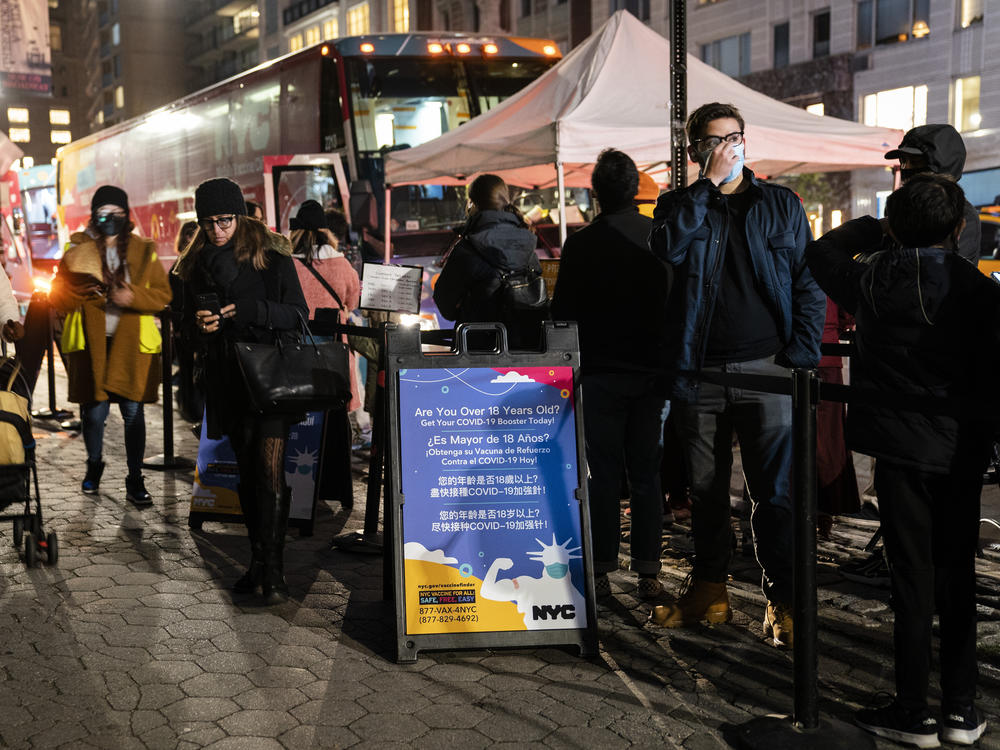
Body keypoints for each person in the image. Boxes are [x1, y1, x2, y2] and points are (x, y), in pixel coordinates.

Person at [806, 174, 996, 748]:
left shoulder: (872, 278)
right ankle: (960, 710)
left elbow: (821, 251)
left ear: (891, 224)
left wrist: (877, 229)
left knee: (911, 580)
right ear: (959, 229)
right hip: (959, 450)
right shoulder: (980, 290)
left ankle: (912, 710)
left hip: (898, 449)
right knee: (957, 575)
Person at [647, 102, 825, 648]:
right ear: (696, 149)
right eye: (714, 141)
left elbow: (807, 281)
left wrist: (801, 354)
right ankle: (710, 591)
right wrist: (708, 185)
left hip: (767, 367)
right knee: (704, 491)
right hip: (699, 371)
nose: (727, 147)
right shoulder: (679, 204)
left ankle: (783, 600)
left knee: (774, 494)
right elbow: (666, 247)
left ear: (746, 140)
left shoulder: (780, 203)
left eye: (734, 138)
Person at [173, 178, 307, 604]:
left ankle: (276, 572)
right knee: (248, 474)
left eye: (225, 220)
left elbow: (299, 314)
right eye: (208, 223)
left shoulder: (272, 255)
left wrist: (251, 311)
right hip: (227, 379)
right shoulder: (193, 265)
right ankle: (258, 563)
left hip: (270, 378)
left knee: (269, 471)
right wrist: (198, 328)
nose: (217, 230)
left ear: (241, 216)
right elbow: (181, 331)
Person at [551, 149, 672, 600]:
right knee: (647, 473)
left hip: (600, 371)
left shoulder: (582, 244)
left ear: (596, 193)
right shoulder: (658, 237)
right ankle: (649, 569)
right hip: (652, 372)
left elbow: (563, 313)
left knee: (602, 473)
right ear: (636, 192)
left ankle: (600, 567)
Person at [49, 185, 172, 507]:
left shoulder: (145, 249)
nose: (111, 219)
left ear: (126, 215)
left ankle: (135, 478)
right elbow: (56, 295)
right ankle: (94, 463)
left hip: (131, 347)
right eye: (104, 213)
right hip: (92, 346)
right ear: (94, 215)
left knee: (134, 415)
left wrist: (133, 297)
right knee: (93, 414)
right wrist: (81, 292)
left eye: (117, 214)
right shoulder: (77, 249)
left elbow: (162, 295)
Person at [433, 174, 544, 349]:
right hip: (525, 349)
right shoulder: (527, 243)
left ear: (473, 204)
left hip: (477, 353)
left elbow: (445, 305)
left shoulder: (467, 248)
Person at [290, 199, 361, 411]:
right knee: (334, 401)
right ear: (326, 232)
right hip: (334, 344)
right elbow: (353, 301)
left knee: (303, 404)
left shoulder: (288, 264)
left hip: (297, 342)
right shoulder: (341, 263)